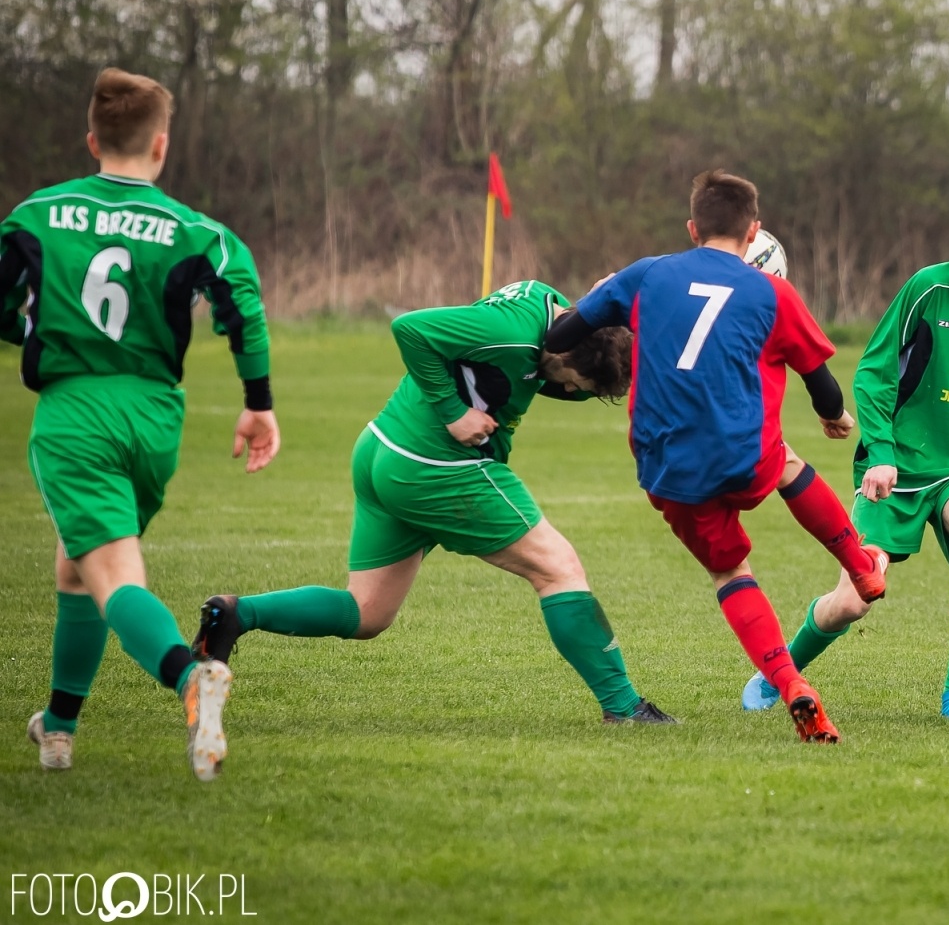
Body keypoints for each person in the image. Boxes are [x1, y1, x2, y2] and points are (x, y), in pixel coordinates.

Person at [192, 281, 675, 725]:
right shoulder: (510, 332)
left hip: (384, 448)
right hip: (433, 465)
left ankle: (235, 614)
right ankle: (624, 707)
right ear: (565, 349)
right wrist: (453, 414)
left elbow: (529, 366)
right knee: (559, 568)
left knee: (367, 613)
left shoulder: (550, 311)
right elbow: (411, 328)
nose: (569, 390)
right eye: (575, 382)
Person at [1, 68, 279, 779]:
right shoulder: (195, 229)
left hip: (77, 413)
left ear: (92, 140)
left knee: (114, 572)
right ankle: (58, 728)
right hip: (156, 417)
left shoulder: (36, 213)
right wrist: (257, 400)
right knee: (76, 564)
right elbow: (239, 298)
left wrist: (30, 329)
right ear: (161, 145)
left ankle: (192, 676)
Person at [545, 169, 888, 744]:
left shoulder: (648, 274)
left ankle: (791, 686)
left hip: (666, 469)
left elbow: (560, 338)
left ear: (691, 227)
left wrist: (602, 298)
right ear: (754, 233)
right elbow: (822, 385)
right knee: (787, 464)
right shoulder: (772, 292)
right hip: (744, 457)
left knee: (730, 570)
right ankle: (861, 568)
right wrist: (835, 417)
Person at [740, 186, 949, 724]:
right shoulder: (927, 290)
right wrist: (881, 452)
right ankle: (782, 672)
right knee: (855, 599)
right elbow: (875, 374)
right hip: (899, 466)